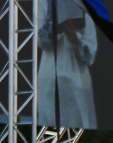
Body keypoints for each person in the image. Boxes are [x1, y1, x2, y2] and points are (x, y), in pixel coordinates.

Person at [37, 0, 98, 130]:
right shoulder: (43, 3)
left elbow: (90, 57)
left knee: (78, 126)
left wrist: (75, 40)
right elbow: (40, 41)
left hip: (77, 82)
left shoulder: (86, 6)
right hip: (50, 80)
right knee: (48, 126)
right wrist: (59, 27)